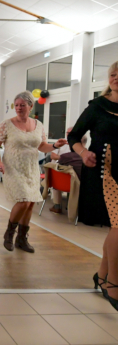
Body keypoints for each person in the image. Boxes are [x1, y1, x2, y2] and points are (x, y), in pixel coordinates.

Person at [68, 62, 118, 311]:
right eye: (113, 74)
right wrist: (83, 152)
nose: (116, 78)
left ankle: (102, 275)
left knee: (116, 228)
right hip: (104, 172)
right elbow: (74, 136)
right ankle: (113, 283)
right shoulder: (97, 106)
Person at [0, 91, 67, 253]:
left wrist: (55, 146)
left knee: (31, 202)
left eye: (22, 105)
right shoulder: (6, 124)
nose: (19, 108)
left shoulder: (38, 125)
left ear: (31, 106)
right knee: (24, 200)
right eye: (16, 105)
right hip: (13, 167)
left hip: (31, 167)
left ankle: (22, 239)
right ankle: (9, 234)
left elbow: (42, 147)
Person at [49, 126, 73, 213]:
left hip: (71, 170)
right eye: (68, 133)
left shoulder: (78, 144)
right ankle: (57, 206)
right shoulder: (61, 143)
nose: (69, 134)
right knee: (56, 181)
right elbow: (52, 156)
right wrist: (65, 158)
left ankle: (70, 206)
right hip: (58, 170)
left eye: (71, 133)